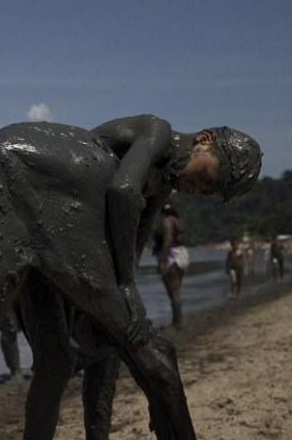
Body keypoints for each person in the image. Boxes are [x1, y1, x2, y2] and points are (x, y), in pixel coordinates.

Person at [92, 116, 261, 341]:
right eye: (203, 176)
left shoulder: (164, 184)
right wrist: (126, 285)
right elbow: (123, 192)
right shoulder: (158, 132)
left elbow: (139, 234)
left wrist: (129, 281)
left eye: (205, 192)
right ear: (205, 139)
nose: (196, 188)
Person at [155, 203, 189, 326]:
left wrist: (162, 261)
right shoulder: (179, 221)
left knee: (172, 291)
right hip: (182, 253)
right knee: (177, 288)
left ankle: (177, 321)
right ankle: (177, 319)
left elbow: (168, 241)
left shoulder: (167, 221)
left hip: (172, 255)